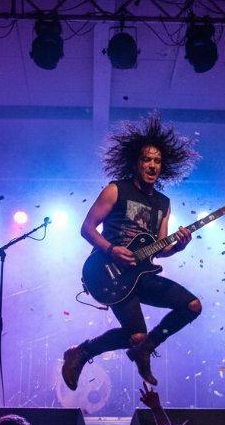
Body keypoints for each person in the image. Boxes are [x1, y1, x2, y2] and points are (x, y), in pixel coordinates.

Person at [63, 112, 202, 388]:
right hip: (108, 272)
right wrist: (111, 249)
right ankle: (84, 351)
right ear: (136, 163)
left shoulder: (163, 203)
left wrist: (177, 247)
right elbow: (87, 228)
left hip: (142, 274)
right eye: (147, 159)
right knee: (134, 334)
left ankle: (147, 347)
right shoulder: (116, 190)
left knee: (192, 306)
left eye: (157, 161)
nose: (152, 165)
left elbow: (159, 249)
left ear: (164, 166)